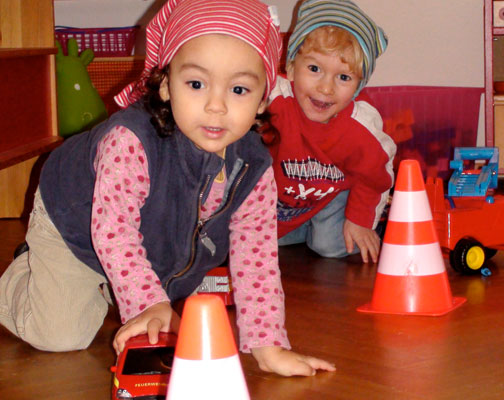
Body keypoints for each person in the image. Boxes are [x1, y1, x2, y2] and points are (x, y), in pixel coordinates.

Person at [0, 0, 335, 377]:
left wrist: (268, 345)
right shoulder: (130, 141)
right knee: (62, 336)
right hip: (74, 221)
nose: (216, 106)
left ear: (263, 99)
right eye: (195, 84)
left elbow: (256, 256)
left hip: (150, 237)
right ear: (163, 86)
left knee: (154, 300)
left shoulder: (252, 165)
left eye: (239, 89)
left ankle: (115, 283)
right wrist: (147, 302)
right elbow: (115, 232)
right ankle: (21, 274)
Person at [266, 0, 396, 264]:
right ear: (291, 68)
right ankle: (304, 228)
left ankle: (336, 226)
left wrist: (360, 220)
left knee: (334, 246)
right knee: (260, 241)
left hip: (333, 197)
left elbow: (375, 175)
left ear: (359, 87)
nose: (326, 88)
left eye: (343, 78)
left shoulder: (360, 128)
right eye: (314, 69)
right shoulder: (273, 101)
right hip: (281, 202)